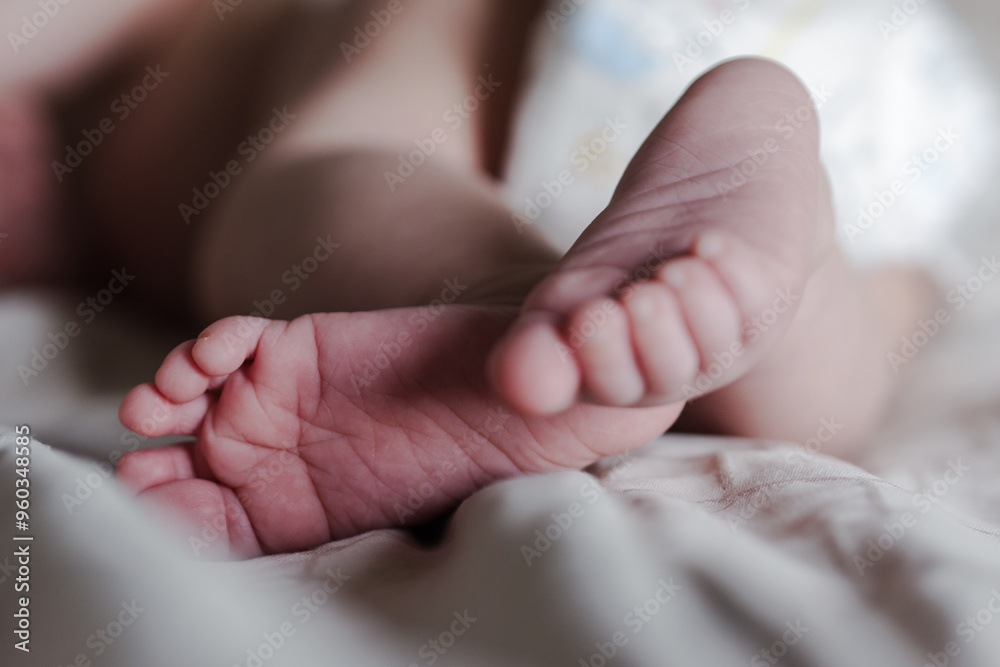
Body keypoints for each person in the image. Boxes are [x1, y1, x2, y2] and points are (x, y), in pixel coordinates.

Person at [2, 0, 927, 557]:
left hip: (506, 32)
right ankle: (796, 236)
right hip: (904, 100)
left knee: (341, 166)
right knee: (834, 372)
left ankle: (512, 298)